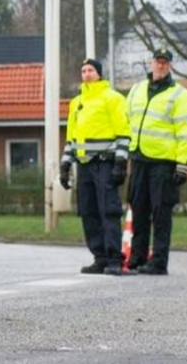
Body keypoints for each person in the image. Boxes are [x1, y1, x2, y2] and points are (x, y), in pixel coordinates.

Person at [124, 47, 187, 275]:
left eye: (165, 62)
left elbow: (186, 130)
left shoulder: (179, 95)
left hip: (163, 162)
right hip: (139, 159)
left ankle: (159, 261)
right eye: (158, 61)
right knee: (139, 210)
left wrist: (183, 163)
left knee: (161, 212)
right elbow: (126, 122)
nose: (161, 65)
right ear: (151, 63)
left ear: (170, 65)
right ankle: (137, 257)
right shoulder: (136, 90)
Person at [59, 58, 131, 275]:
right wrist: (65, 165)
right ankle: (99, 257)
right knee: (88, 211)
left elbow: (123, 133)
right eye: (83, 70)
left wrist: (120, 162)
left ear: (99, 73)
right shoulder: (76, 103)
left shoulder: (113, 99)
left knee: (108, 210)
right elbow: (72, 138)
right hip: (84, 166)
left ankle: (114, 258)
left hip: (105, 163)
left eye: (90, 70)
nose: (86, 73)